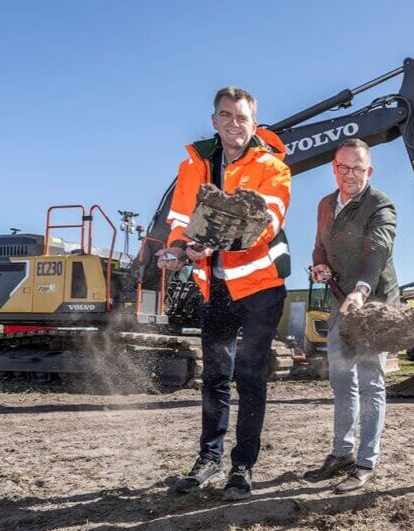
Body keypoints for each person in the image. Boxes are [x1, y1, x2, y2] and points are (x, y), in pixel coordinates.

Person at [157, 86, 291, 501]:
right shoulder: (194, 164)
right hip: (214, 287)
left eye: (243, 118)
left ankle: (242, 467)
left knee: (250, 377)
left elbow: (265, 222)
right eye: (227, 115)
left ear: (255, 124)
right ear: (215, 120)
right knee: (214, 376)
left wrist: (217, 243)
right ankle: (208, 458)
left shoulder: (273, 167)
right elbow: (180, 220)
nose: (235, 124)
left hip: (261, 288)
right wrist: (177, 252)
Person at [303, 138, 398, 494]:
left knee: (370, 380)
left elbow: (378, 250)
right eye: (343, 167)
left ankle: (365, 463)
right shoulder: (326, 204)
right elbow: (319, 245)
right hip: (341, 301)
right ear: (334, 168)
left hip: (373, 303)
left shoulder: (380, 205)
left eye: (358, 168)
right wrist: (319, 265)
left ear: (369, 171)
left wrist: (360, 290)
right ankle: (342, 452)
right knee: (341, 379)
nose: (350, 175)